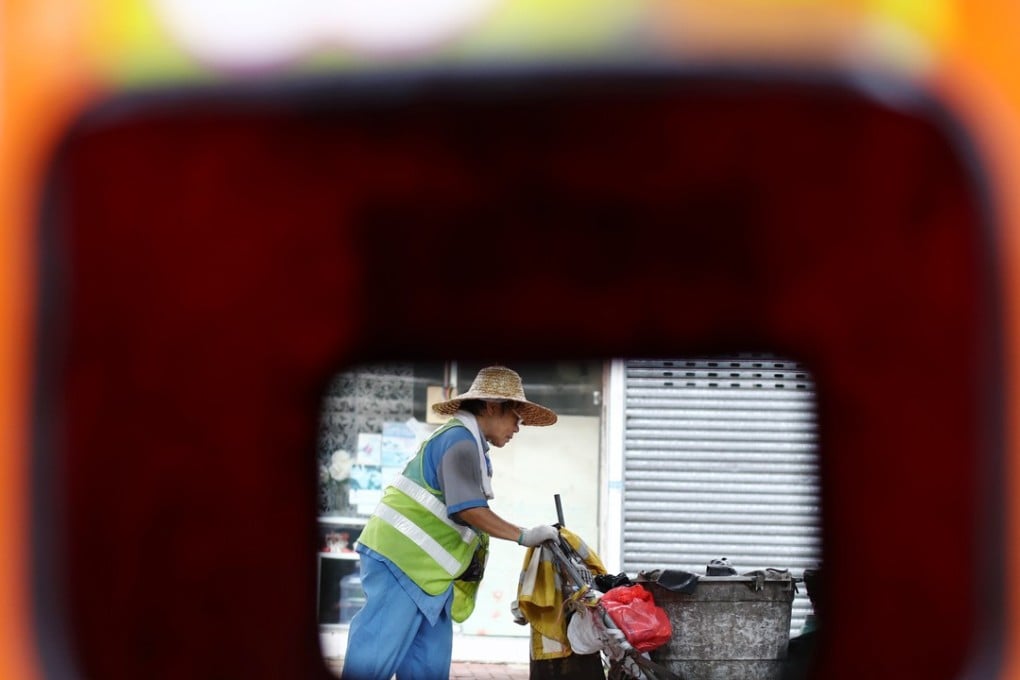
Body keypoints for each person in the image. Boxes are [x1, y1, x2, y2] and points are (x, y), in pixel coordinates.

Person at [340, 365, 561, 680]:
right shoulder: (459, 440)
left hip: (429, 575)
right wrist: (524, 535)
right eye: (516, 417)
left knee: (427, 669)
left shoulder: (469, 444)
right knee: (371, 663)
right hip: (399, 564)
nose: (518, 427)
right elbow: (468, 510)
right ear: (492, 406)